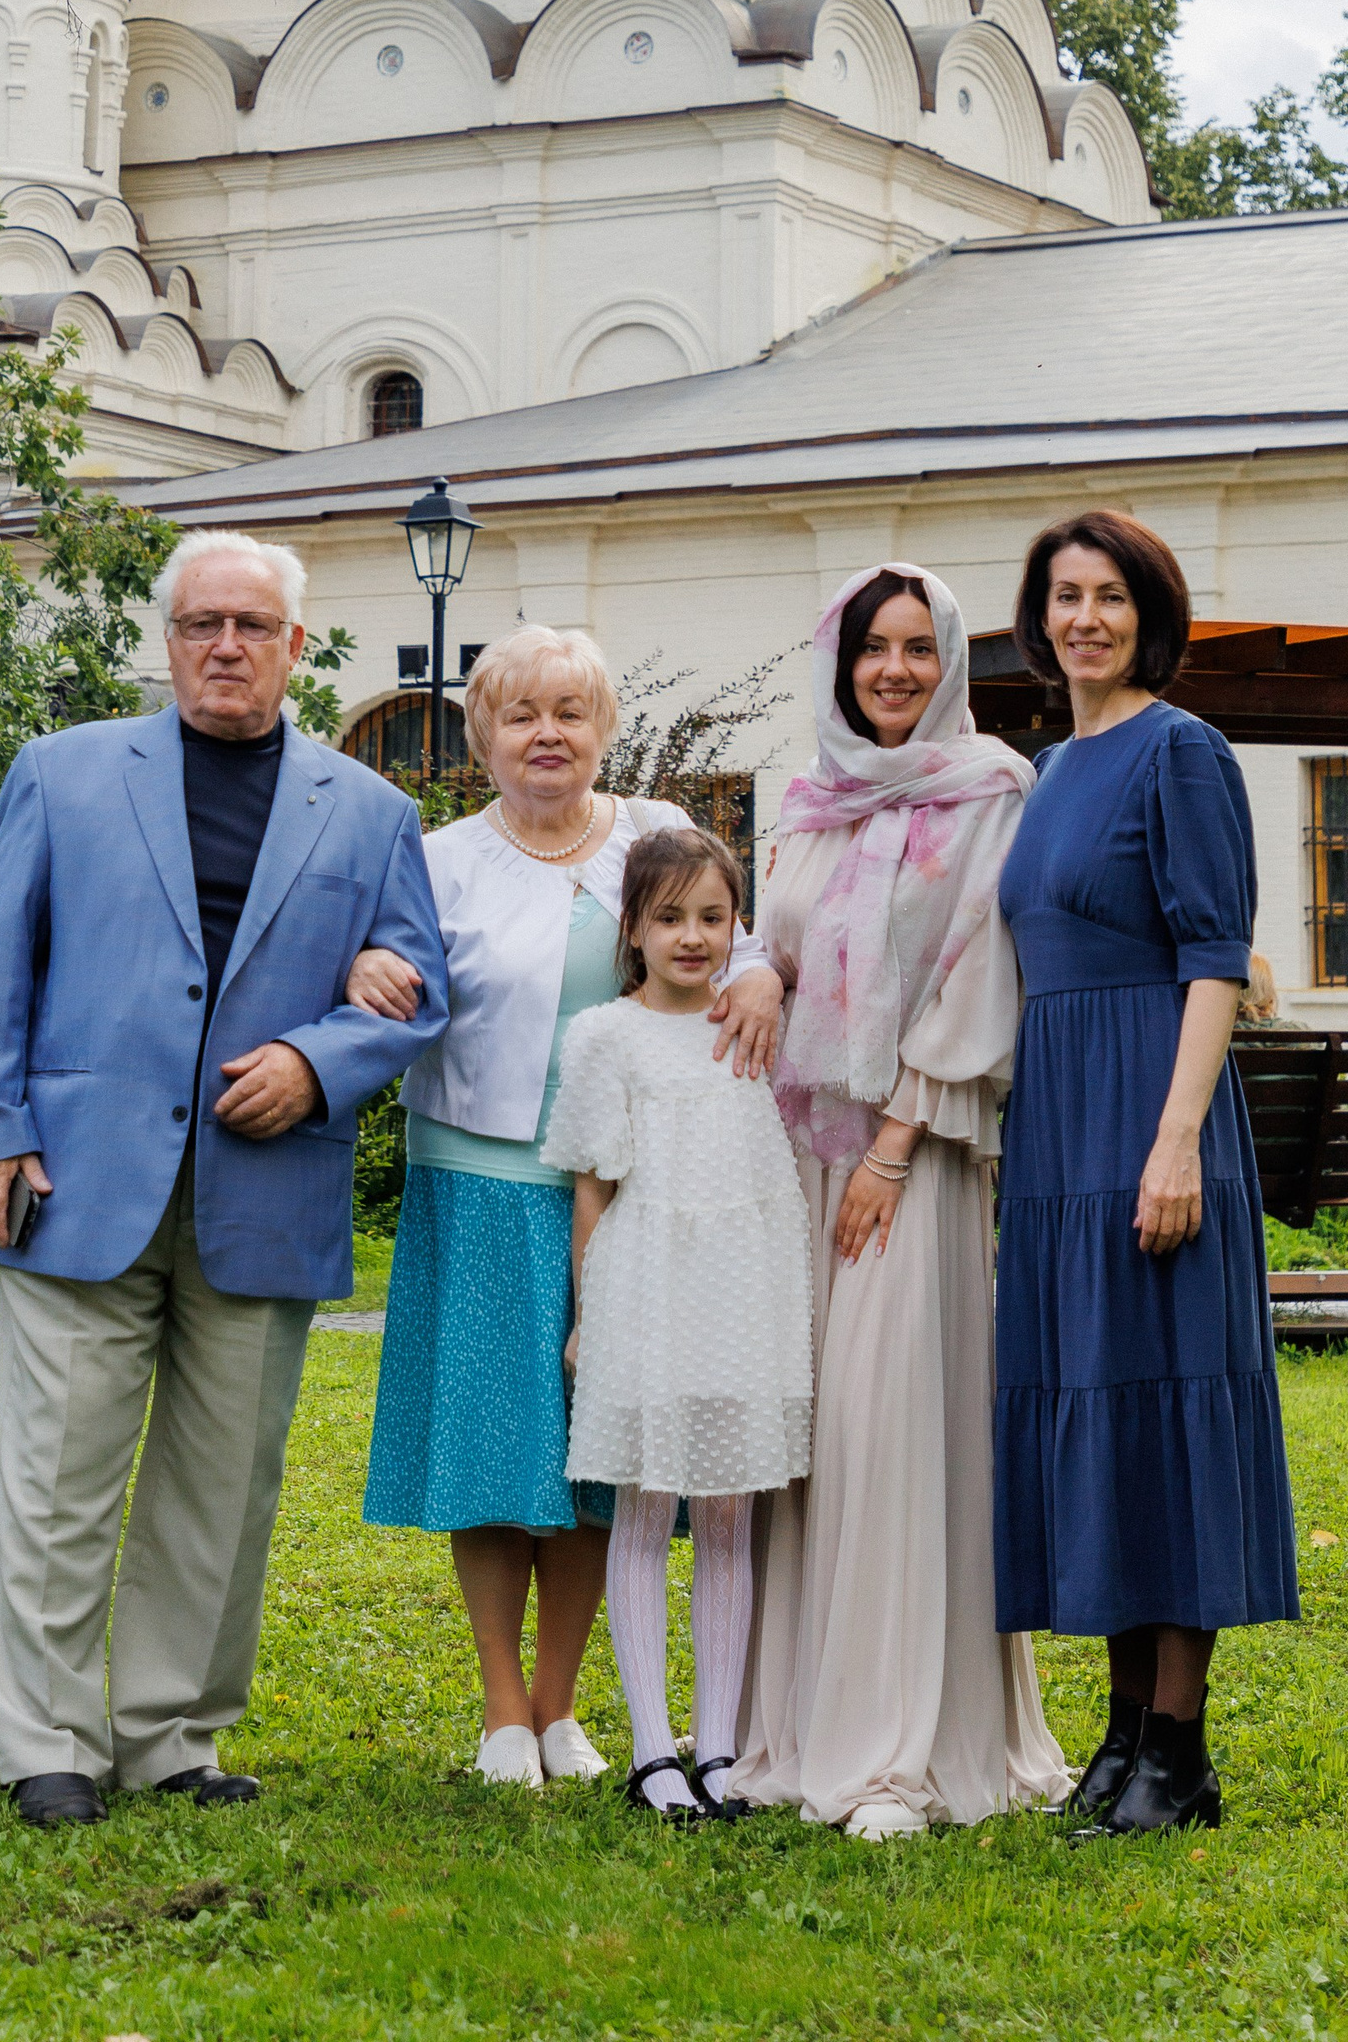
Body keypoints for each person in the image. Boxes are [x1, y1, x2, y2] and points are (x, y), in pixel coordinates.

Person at [0, 528, 446, 1830]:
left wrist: (317, 1060)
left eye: (253, 624)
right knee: (56, 1475)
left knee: (223, 1488)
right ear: (167, 639)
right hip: (74, 1177)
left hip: (266, 1185)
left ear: (295, 643)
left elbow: (417, 987)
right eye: (202, 622)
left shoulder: (373, 811)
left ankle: (172, 1735)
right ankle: (46, 1742)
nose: (227, 645)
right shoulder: (61, 772)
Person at [356, 625, 784, 1789]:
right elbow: (371, 962)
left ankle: (561, 1706)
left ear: (604, 728)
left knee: (604, 1457)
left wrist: (757, 973)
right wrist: (359, 967)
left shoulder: (653, 833)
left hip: (632, 1183)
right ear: (482, 733)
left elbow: (740, 938)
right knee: (496, 1450)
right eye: (521, 713)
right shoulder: (436, 857)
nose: (547, 733)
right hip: (480, 1177)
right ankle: (504, 1708)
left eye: (570, 711)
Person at [729, 563, 1070, 1840]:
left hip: (908, 1158)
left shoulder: (990, 791)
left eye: (919, 647)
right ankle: (803, 1723)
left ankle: (896, 1752)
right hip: (795, 1157)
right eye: (872, 646)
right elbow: (779, 934)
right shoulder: (808, 799)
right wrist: (754, 965)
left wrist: (890, 1143)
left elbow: (981, 974)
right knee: (810, 1439)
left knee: (889, 1431)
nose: (894, 669)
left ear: (952, 661)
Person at [992, 508, 1301, 1840]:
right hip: (1060, 1126)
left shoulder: (1183, 750)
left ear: (1150, 613)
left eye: (1110, 595)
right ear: (1039, 616)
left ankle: (1179, 1746)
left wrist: (1175, 1137)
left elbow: (1216, 955)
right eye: (1065, 595)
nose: (1086, 618)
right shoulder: (1050, 765)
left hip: (1152, 1110)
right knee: (1101, 1409)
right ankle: (1120, 1736)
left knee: (1170, 1407)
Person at [545, 828, 815, 1824]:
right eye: (669, 917)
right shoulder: (605, 1036)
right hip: (647, 1290)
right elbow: (592, 1189)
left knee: (730, 1517)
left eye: (712, 916)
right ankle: (652, 1749)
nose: (692, 936)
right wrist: (587, 1316)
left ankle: (720, 1744)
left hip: (742, 1292)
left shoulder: (753, 1029)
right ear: (632, 927)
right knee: (647, 1508)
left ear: (738, 924)